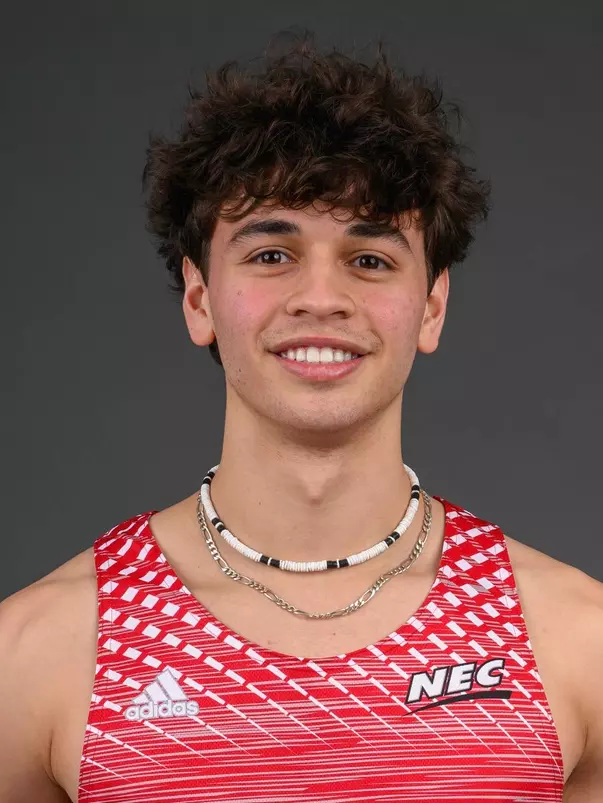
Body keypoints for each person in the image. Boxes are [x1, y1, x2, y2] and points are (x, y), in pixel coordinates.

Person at [1, 34, 602, 803]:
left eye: (370, 258)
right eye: (272, 254)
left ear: (432, 306)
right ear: (198, 299)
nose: (321, 297)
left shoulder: (570, 638)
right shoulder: (42, 650)